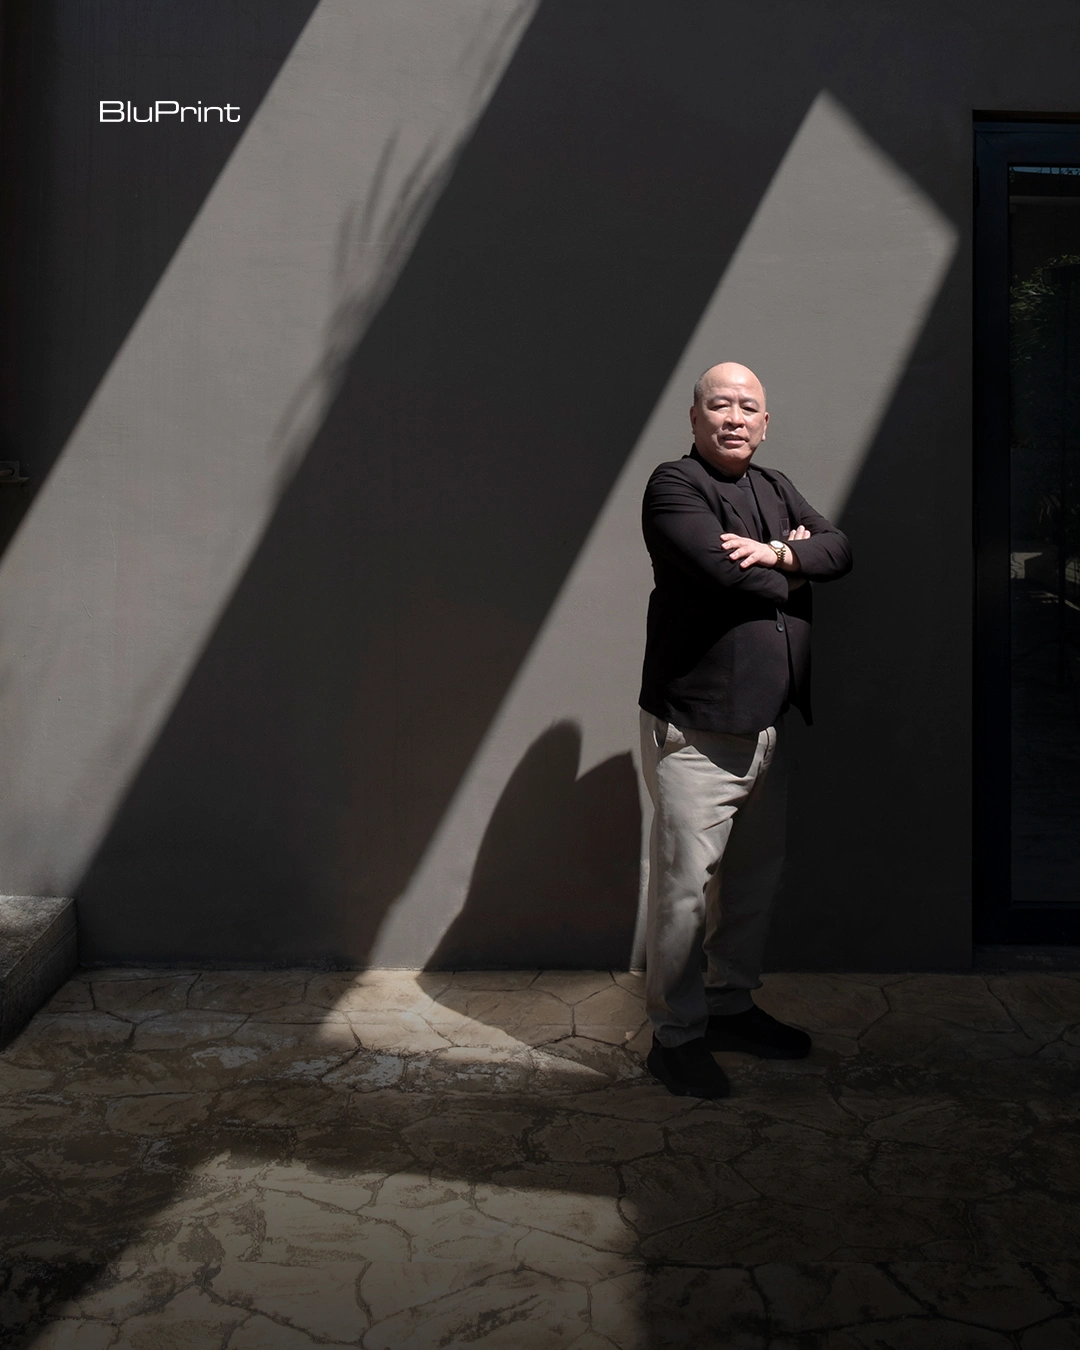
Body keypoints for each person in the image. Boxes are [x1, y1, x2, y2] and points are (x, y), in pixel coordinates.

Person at [639, 362, 852, 1098]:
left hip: (768, 725)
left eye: (748, 407)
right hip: (699, 729)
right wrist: (793, 568)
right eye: (719, 404)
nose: (734, 417)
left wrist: (782, 552)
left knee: (753, 885)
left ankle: (729, 1006)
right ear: (695, 418)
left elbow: (840, 550)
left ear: (765, 424)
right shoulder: (675, 486)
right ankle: (675, 1036)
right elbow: (726, 576)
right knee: (684, 895)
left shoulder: (774, 485)